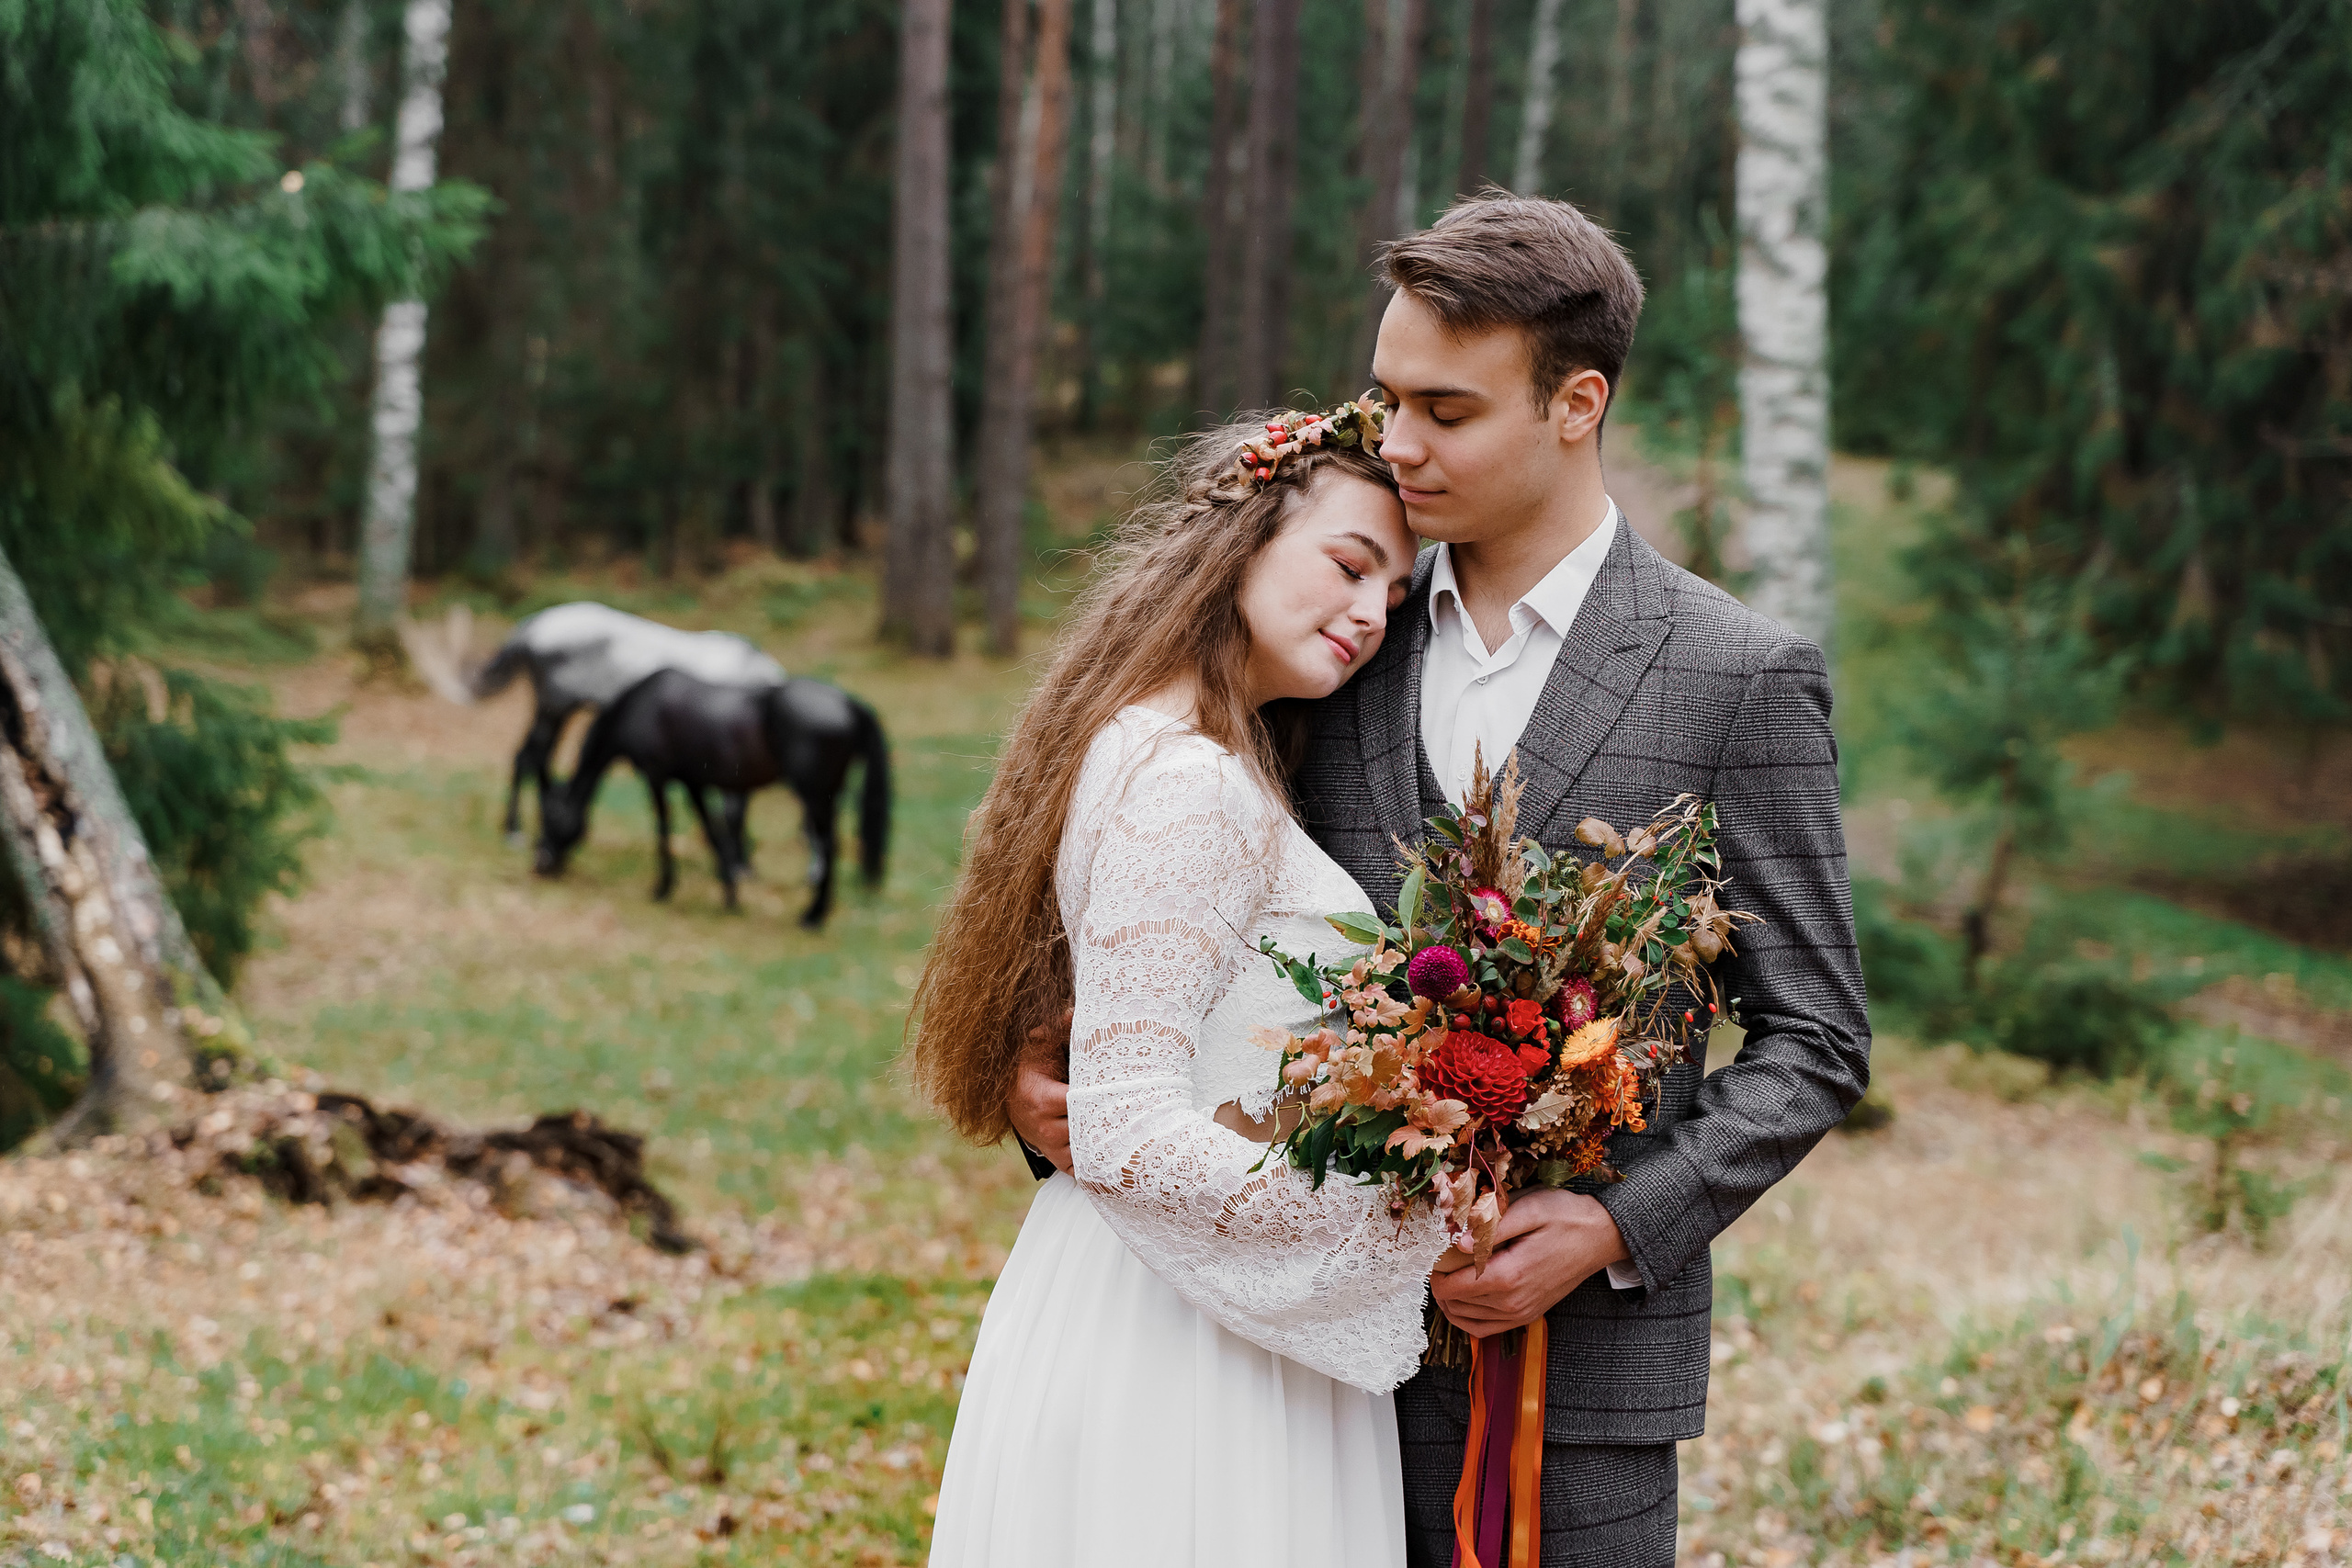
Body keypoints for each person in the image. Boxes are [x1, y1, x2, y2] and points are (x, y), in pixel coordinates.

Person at [1009, 194, 1871, 1567]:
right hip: (1280, 1373)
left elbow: (1816, 1039)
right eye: (1387, 395)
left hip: (1577, 1392)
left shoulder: (1735, 676)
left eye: (1447, 409)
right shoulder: (1336, 629)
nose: (1397, 443)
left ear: (1576, 401)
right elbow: (1170, 905)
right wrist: (1051, 1080)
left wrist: (1607, 1223)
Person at [908, 402, 1448, 1567]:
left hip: (1186, 1295)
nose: (1367, 613)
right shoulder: (1190, 781)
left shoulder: (1162, 741)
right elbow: (1125, 1124)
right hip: (1187, 1339)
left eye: (1394, 600)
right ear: (1243, 541)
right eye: (1350, 566)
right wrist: (1401, 1216)